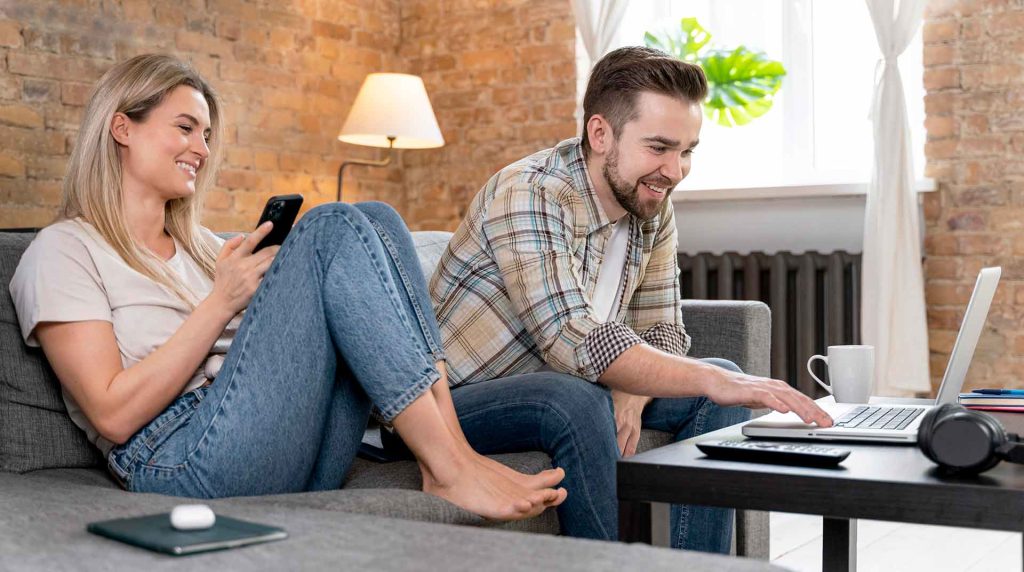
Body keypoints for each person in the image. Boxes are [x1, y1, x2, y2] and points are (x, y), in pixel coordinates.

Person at [8, 54, 567, 521]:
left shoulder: (205, 246)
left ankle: (449, 454)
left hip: (286, 443)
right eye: (184, 128)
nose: (202, 149)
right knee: (330, 226)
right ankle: (450, 466)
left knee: (377, 218)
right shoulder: (63, 251)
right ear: (122, 126)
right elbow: (111, 414)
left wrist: (264, 295)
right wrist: (222, 300)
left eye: (206, 134)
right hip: (178, 459)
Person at [427, 46, 832, 551]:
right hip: (456, 402)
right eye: (659, 147)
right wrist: (714, 378)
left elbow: (665, 329)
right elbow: (569, 337)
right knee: (583, 395)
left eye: (687, 151)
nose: (676, 170)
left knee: (713, 391)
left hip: (571, 386)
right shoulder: (531, 192)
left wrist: (635, 389)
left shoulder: (651, 204)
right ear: (601, 134)